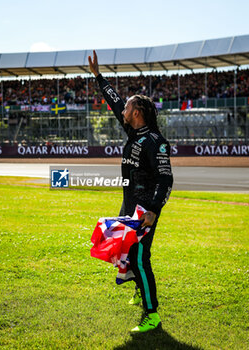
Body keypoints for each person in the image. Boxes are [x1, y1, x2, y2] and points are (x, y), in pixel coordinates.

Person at [89, 51, 173, 333]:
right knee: (126, 253)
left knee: (139, 257)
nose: (122, 110)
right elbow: (114, 105)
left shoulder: (155, 142)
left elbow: (166, 178)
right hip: (129, 206)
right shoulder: (134, 135)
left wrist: (153, 211)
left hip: (145, 211)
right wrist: (99, 78)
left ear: (136, 112)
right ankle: (140, 291)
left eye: (127, 107)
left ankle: (152, 315)